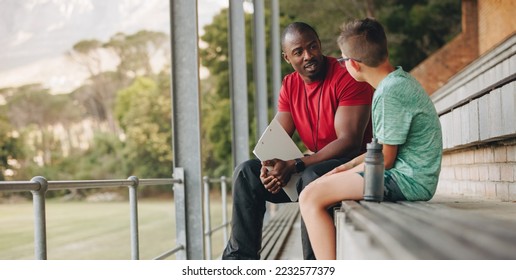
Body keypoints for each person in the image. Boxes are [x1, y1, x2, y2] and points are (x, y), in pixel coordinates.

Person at [221, 22, 374, 260]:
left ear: (320, 45)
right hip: (312, 165)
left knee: (312, 179)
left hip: (354, 167)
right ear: (287, 58)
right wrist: (268, 168)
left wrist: (296, 164)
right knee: (246, 174)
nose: (308, 55)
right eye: (298, 52)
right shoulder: (290, 84)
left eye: (313, 47)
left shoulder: (347, 75)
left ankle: (312, 266)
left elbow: (350, 142)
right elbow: (276, 139)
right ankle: (238, 263)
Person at [299, 17, 443, 260]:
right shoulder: (395, 81)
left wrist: (339, 175)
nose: (343, 66)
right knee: (317, 187)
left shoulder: (390, 93)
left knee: (310, 196)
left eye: (344, 60)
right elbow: (380, 151)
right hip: (405, 175)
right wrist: (343, 168)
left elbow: (385, 160)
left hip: (408, 181)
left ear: (354, 64)